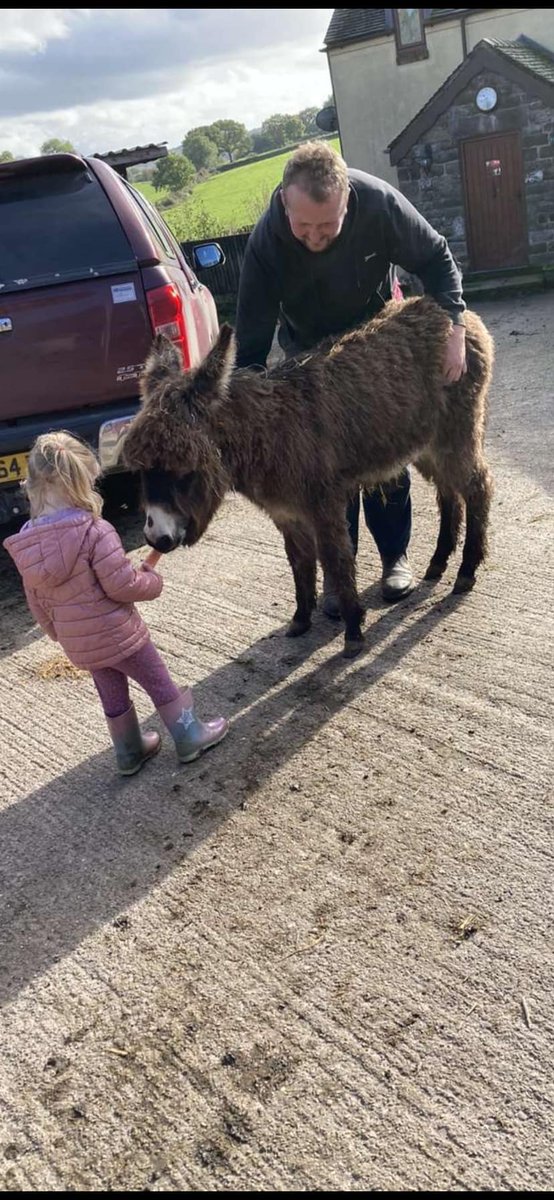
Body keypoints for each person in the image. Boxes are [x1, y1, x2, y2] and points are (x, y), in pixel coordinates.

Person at [235, 140, 467, 616]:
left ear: (347, 200)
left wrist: (455, 327)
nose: (316, 237)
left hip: (375, 345)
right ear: (284, 200)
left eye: (328, 226)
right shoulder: (265, 245)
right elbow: (253, 338)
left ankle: (394, 557)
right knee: (321, 470)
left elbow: (437, 259)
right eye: (304, 227)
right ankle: (340, 575)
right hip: (307, 355)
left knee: (383, 452)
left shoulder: (379, 204)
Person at [3, 432, 228, 776]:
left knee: (111, 692)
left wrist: (58, 633)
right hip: (119, 634)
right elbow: (121, 585)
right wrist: (151, 582)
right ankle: (189, 736)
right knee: (159, 682)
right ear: (81, 483)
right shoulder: (95, 531)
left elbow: (36, 602)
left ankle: (129, 752)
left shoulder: (26, 543)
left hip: (80, 644)